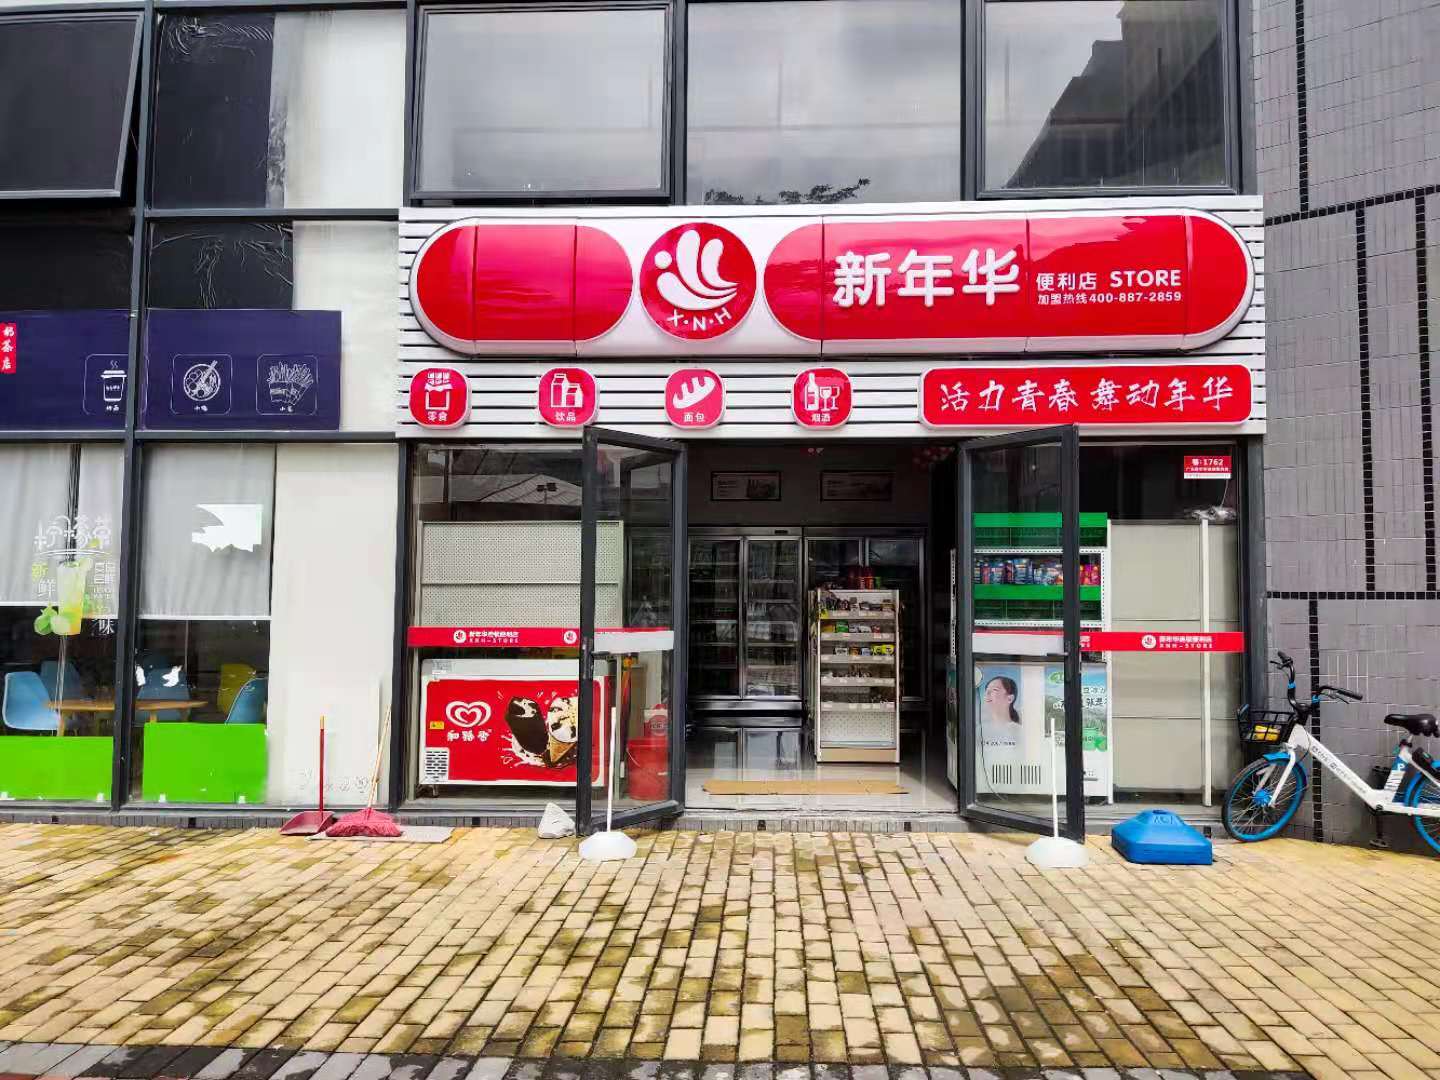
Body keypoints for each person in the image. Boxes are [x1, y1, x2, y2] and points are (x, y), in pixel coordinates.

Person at [980, 674, 1022, 749]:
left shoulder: (1020, 732)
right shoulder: (979, 730)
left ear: (1010, 699)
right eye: (986, 690)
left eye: (995, 690)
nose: (987, 693)